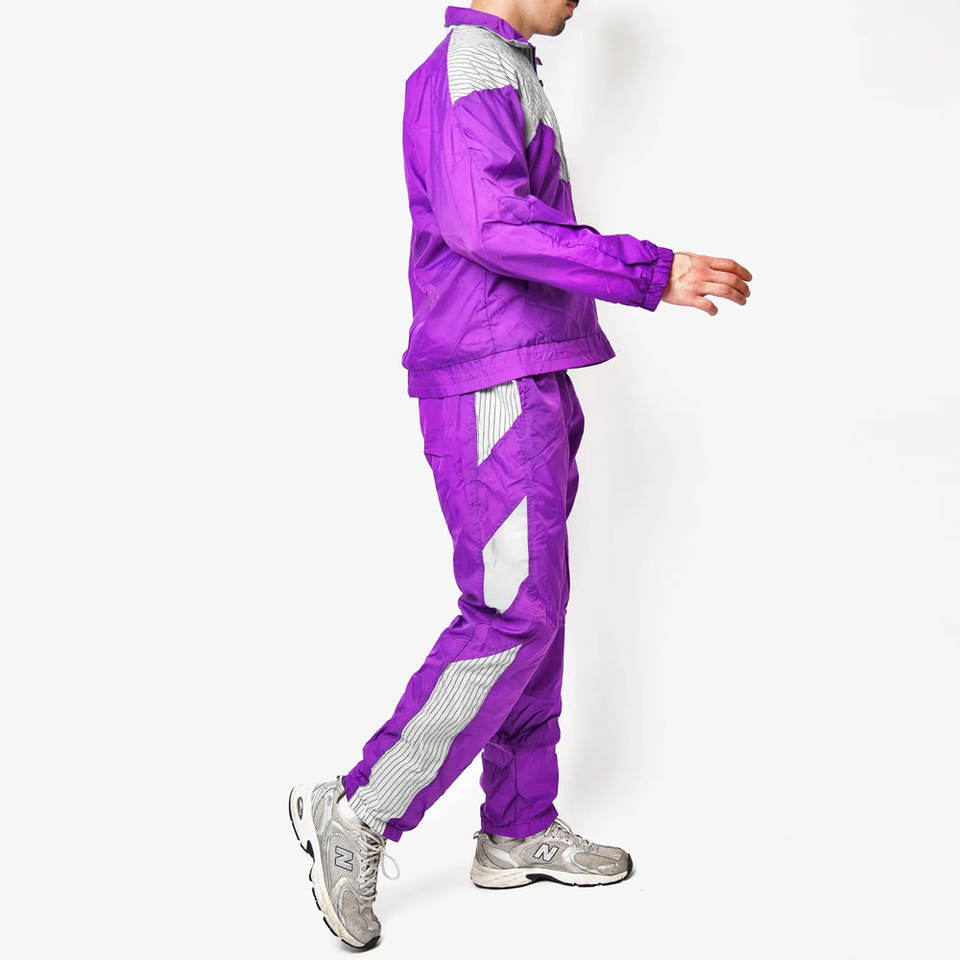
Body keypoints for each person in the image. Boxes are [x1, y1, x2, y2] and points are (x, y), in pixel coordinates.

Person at [288, 1, 752, 948]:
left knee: (536, 608)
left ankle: (518, 826)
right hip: (492, 378)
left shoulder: (503, 62)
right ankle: (359, 808)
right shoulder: (470, 65)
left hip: (525, 368)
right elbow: (488, 222)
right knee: (512, 614)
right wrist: (648, 270)